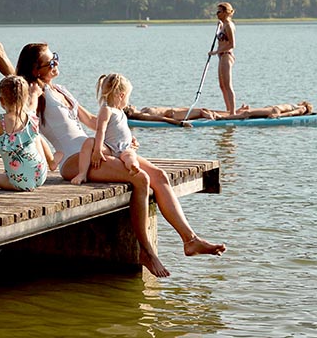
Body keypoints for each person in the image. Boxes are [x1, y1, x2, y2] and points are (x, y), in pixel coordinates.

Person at [16, 43, 226, 278]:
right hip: (74, 159)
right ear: (36, 70)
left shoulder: (61, 90)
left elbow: (94, 122)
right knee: (141, 179)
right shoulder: (33, 94)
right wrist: (32, 99)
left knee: (159, 176)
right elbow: (26, 124)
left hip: (96, 147)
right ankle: (146, 251)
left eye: (56, 57)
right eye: (50, 62)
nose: (56, 63)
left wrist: (122, 137)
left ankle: (190, 240)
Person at [72, 73, 141, 185]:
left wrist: (130, 139)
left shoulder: (120, 111)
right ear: (122, 96)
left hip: (123, 148)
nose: (128, 101)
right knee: (89, 142)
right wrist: (98, 150)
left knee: (130, 156)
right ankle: (82, 173)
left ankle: (133, 166)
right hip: (108, 147)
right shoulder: (107, 110)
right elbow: (100, 130)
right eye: (128, 97)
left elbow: (120, 129)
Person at [210, 2, 236, 114]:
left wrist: (216, 51)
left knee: (227, 85)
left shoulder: (229, 25)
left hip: (226, 55)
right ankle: (228, 109)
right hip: (221, 56)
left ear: (226, 12)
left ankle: (233, 112)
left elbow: (232, 44)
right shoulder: (223, 24)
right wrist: (220, 26)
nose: (217, 14)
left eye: (219, 12)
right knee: (222, 85)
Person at [124, 105, 222, 126]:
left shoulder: (142, 110)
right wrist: (181, 124)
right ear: (130, 113)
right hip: (175, 115)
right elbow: (162, 119)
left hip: (175, 110)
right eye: (129, 107)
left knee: (205, 109)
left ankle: (232, 112)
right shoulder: (143, 116)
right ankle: (222, 118)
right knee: (202, 112)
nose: (130, 105)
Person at [225, 101, 314, 119]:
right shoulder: (298, 106)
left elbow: (293, 113)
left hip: (275, 110)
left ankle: (222, 118)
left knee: (247, 113)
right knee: (245, 113)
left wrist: (279, 115)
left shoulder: (303, 108)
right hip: (273, 109)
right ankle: (225, 116)